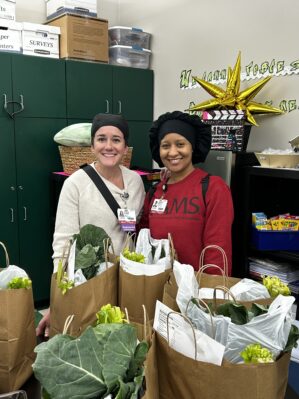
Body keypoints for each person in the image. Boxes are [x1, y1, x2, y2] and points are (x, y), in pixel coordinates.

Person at [36, 113, 145, 337]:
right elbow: (63, 242)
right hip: (90, 280)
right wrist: (59, 296)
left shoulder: (135, 181)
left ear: (125, 147)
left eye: (116, 140)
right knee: (92, 338)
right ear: (93, 145)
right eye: (101, 139)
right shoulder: (75, 184)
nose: (109, 146)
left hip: (126, 279)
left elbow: (133, 231)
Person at [138, 110, 234, 274]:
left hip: (196, 292)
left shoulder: (213, 188)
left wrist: (209, 293)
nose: (173, 152)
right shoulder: (155, 191)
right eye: (165, 146)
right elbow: (144, 239)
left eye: (180, 144)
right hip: (157, 288)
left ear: (192, 147)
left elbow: (217, 249)